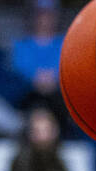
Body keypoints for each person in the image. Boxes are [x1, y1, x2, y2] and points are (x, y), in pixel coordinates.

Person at [9, 0, 69, 131]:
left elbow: (67, 71)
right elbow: (18, 71)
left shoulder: (66, 43)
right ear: (33, 16)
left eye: (49, 15)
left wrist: (53, 79)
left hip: (58, 99)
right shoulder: (21, 44)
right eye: (41, 15)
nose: (45, 19)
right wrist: (36, 79)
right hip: (30, 97)